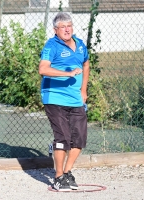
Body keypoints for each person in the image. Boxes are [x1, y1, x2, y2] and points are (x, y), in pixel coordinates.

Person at [38, 12, 90, 191]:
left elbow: (86, 64)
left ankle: (67, 173)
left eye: (69, 26)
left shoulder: (80, 45)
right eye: (63, 27)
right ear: (55, 30)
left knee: (80, 139)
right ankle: (58, 177)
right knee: (63, 138)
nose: (67, 29)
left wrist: (83, 90)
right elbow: (43, 69)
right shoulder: (51, 46)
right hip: (54, 97)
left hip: (75, 99)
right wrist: (67, 74)